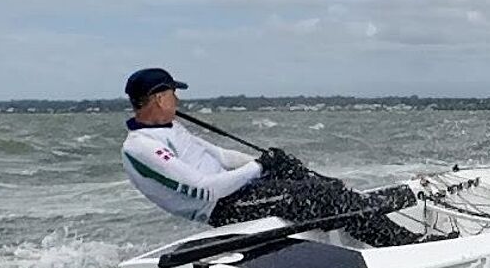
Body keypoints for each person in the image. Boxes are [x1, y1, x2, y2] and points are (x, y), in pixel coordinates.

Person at [120, 67, 418, 247]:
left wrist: (268, 163)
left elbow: (221, 156)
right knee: (323, 198)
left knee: (324, 185)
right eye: (173, 93)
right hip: (224, 207)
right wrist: (258, 167)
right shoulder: (140, 148)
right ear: (159, 98)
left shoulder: (170, 127)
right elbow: (206, 189)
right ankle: (404, 244)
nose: (177, 99)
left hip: (244, 190)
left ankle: (381, 218)